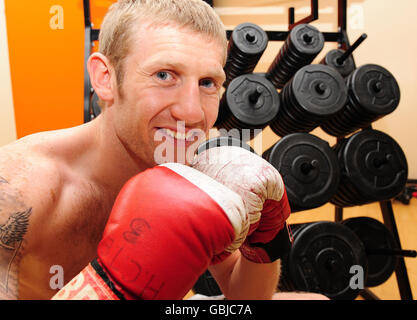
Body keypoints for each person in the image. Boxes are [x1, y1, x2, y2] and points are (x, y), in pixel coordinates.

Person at [0, 0, 326, 300]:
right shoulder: (22, 188)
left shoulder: (189, 173)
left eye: (207, 83)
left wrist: (266, 243)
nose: (193, 113)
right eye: (164, 75)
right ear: (105, 78)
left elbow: (247, 299)